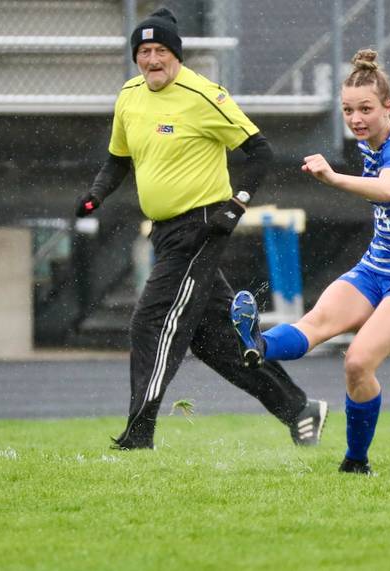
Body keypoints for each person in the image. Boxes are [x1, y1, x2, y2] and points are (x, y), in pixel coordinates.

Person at [76, 7, 327, 450]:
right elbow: (117, 160)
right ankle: (298, 408)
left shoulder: (204, 94)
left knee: (151, 322)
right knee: (218, 343)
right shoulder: (130, 96)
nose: (152, 59)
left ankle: (138, 434)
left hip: (202, 228)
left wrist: (235, 207)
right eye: (144, 51)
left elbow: (260, 151)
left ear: (176, 55)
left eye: (161, 51)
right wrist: (96, 195)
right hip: (166, 232)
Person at [231, 49, 390, 474]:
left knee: (357, 361)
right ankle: (257, 345)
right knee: (313, 326)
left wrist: (333, 178)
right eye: (349, 110)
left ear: (389, 106)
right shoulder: (384, 143)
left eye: (366, 109)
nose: (356, 118)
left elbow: (389, 189)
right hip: (376, 267)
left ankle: (356, 461)